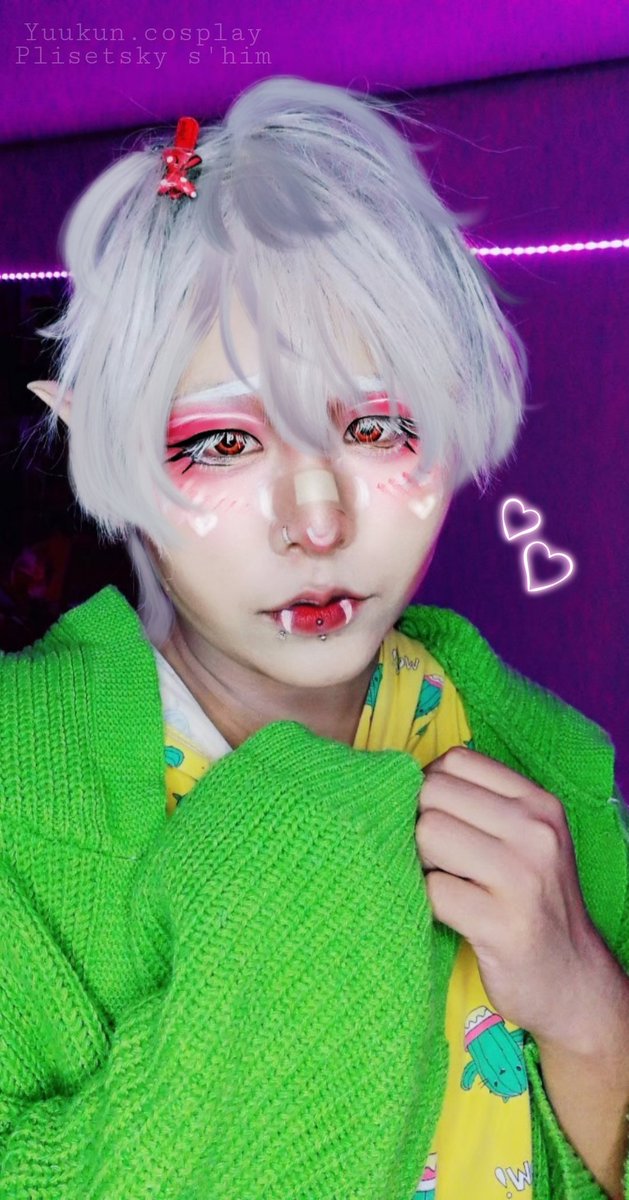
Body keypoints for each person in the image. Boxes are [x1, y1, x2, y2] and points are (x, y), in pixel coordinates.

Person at [3, 75, 629, 1200]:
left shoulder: (541, 762)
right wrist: (308, 855)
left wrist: (590, 1012)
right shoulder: (15, 784)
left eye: (376, 425)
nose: (317, 520)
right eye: (223, 442)